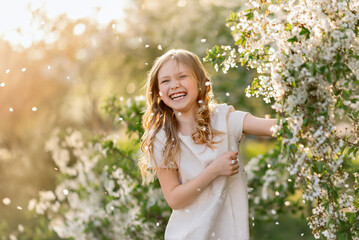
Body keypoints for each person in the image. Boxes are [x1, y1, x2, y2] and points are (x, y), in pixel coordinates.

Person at [138, 49, 276, 240]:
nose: (175, 85)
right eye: (165, 81)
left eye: (182, 76)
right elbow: (175, 199)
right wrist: (214, 171)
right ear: (159, 92)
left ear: (201, 82)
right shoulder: (162, 138)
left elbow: (274, 128)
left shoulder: (224, 119)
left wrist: (308, 118)